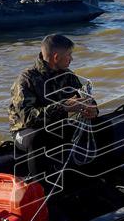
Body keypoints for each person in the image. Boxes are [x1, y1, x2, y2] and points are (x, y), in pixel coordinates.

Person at [8, 34, 97, 178]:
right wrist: (63, 107)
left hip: (55, 126)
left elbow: (87, 100)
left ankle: (93, 176)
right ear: (56, 57)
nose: (71, 59)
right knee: (35, 138)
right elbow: (29, 119)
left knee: (97, 126)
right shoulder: (26, 80)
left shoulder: (68, 76)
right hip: (24, 131)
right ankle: (40, 186)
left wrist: (92, 110)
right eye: (69, 55)